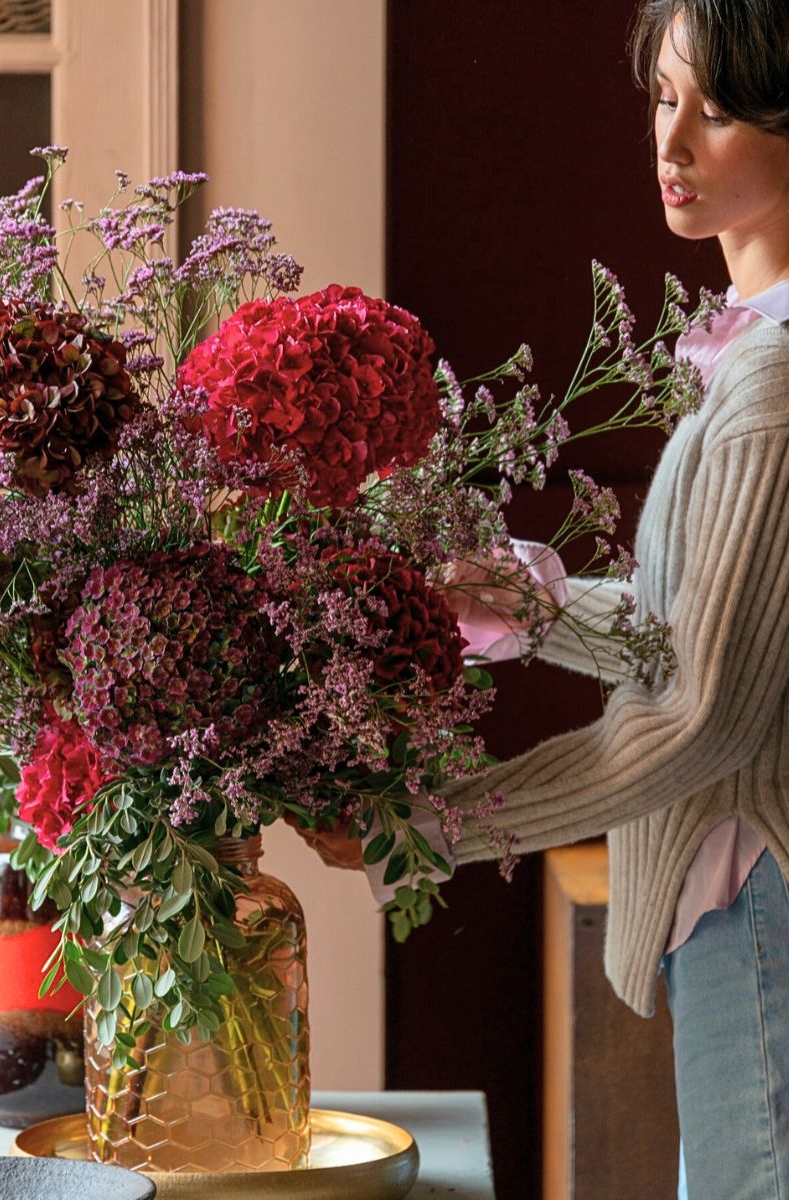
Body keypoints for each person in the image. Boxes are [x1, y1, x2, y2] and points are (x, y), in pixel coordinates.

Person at [298, 3, 789, 1196]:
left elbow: (705, 714)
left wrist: (440, 822)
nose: (672, 142)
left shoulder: (772, 386)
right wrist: (522, 597)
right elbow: (708, 640)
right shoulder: (753, 350)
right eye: (664, 99)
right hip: (735, 905)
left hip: (757, 905)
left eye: (716, 111)